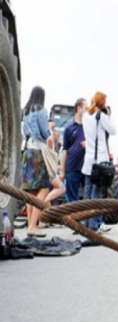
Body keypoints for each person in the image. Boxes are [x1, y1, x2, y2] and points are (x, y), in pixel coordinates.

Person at [82, 92, 116, 233]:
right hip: (99, 161)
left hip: (88, 160)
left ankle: (85, 224)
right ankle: (93, 226)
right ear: (102, 104)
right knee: (96, 195)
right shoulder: (101, 116)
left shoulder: (85, 116)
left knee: (87, 193)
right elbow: (113, 130)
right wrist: (108, 115)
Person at [21, 86, 51, 237]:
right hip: (38, 152)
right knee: (44, 189)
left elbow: (25, 133)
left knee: (31, 191)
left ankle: (30, 225)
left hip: (28, 151)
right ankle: (33, 226)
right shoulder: (41, 110)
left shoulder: (25, 111)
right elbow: (45, 132)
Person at [60, 98, 87, 203]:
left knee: (89, 198)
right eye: (86, 108)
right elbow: (64, 150)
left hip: (86, 168)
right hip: (72, 168)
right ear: (79, 108)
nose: (87, 111)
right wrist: (62, 171)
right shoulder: (68, 129)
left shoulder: (88, 128)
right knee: (72, 200)